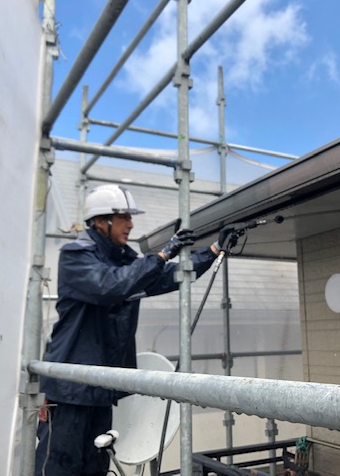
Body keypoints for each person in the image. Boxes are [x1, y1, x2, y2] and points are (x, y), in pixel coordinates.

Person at [35, 184, 236, 476]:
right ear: (101, 221)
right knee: (59, 468)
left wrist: (214, 250)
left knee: (95, 467)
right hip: (69, 388)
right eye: (124, 217)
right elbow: (111, 285)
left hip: (101, 386)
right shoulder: (76, 256)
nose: (130, 224)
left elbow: (170, 276)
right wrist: (162, 255)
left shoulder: (126, 261)